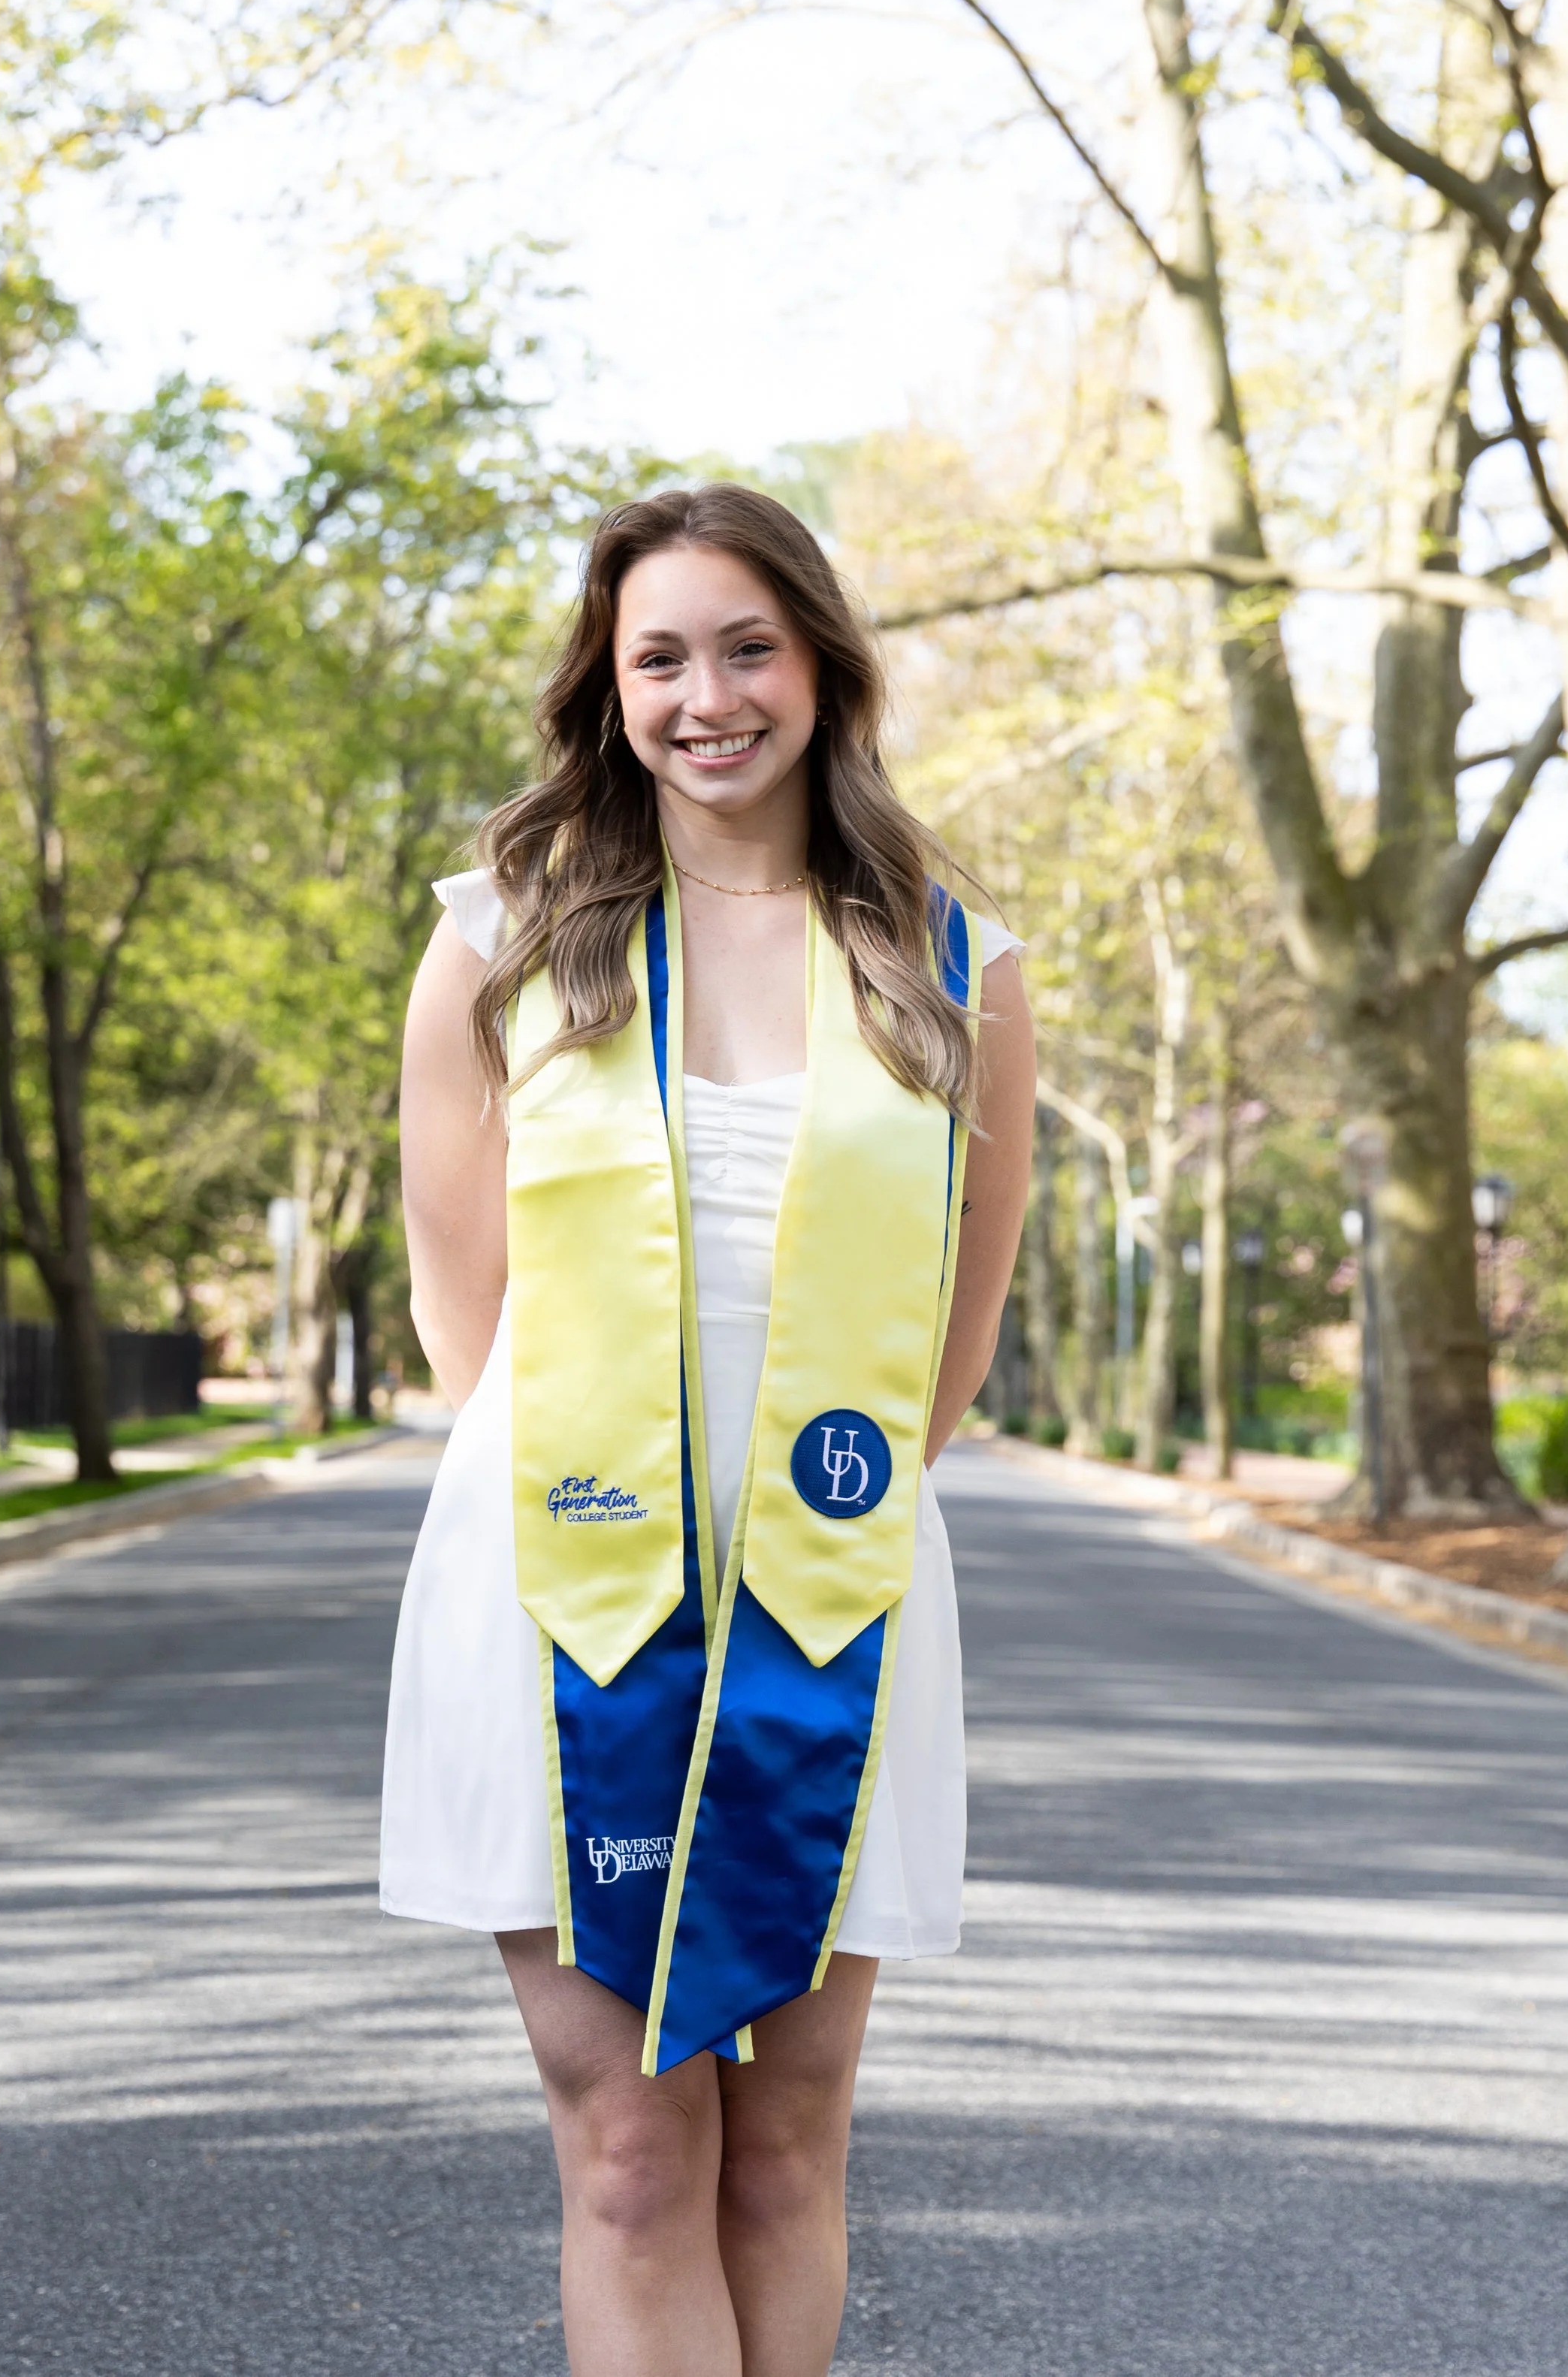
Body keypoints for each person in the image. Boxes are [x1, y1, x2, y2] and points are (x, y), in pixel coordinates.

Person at [386, 482, 1035, 2377]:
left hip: (830, 1592)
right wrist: (617, 1506)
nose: (705, 695)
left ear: (822, 668)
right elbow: (463, 1314)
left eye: (746, 646)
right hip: (561, 1591)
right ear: (607, 680)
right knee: (629, 2155)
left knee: (783, 2156)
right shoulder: (507, 935)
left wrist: (794, 1518)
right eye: (658, 654)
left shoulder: (949, 958)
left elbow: (956, 1326)